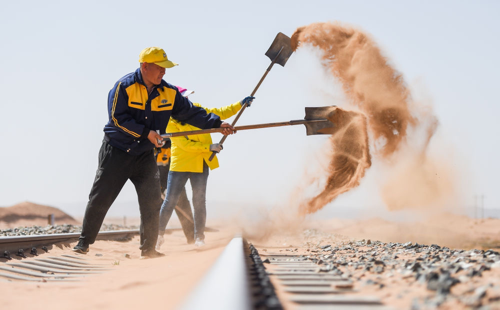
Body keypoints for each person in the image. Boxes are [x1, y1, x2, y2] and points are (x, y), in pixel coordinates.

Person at [73, 47, 241, 259]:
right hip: (117, 151)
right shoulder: (123, 87)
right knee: (101, 197)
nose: (164, 73)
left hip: (144, 155)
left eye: (166, 68)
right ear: (144, 66)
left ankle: (149, 250)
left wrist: (217, 123)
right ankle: (83, 243)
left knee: (151, 202)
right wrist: (147, 133)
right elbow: (117, 119)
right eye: (160, 68)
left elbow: (191, 113)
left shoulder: (169, 93)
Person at [156, 92, 254, 248]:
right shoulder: (170, 121)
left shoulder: (198, 110)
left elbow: (219, 113)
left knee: (199, 202)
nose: (186, 101)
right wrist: (208, 147)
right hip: (180, 165)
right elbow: (184, 145)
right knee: (170, 201)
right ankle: (158, 236)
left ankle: (199, 238)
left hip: (200, 164)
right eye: (183, 99)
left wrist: (240, 104)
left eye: (186, 99)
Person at [155, 87, 196, 245]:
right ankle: (154, 241)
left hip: (175, 174)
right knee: (153, 211)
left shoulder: (183, 122)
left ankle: (193, 240)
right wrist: (159, 185)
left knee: (184, 207)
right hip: (161, 176)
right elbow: (156, 157)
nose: (187, 101)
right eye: (184, 98)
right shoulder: (164, 123)